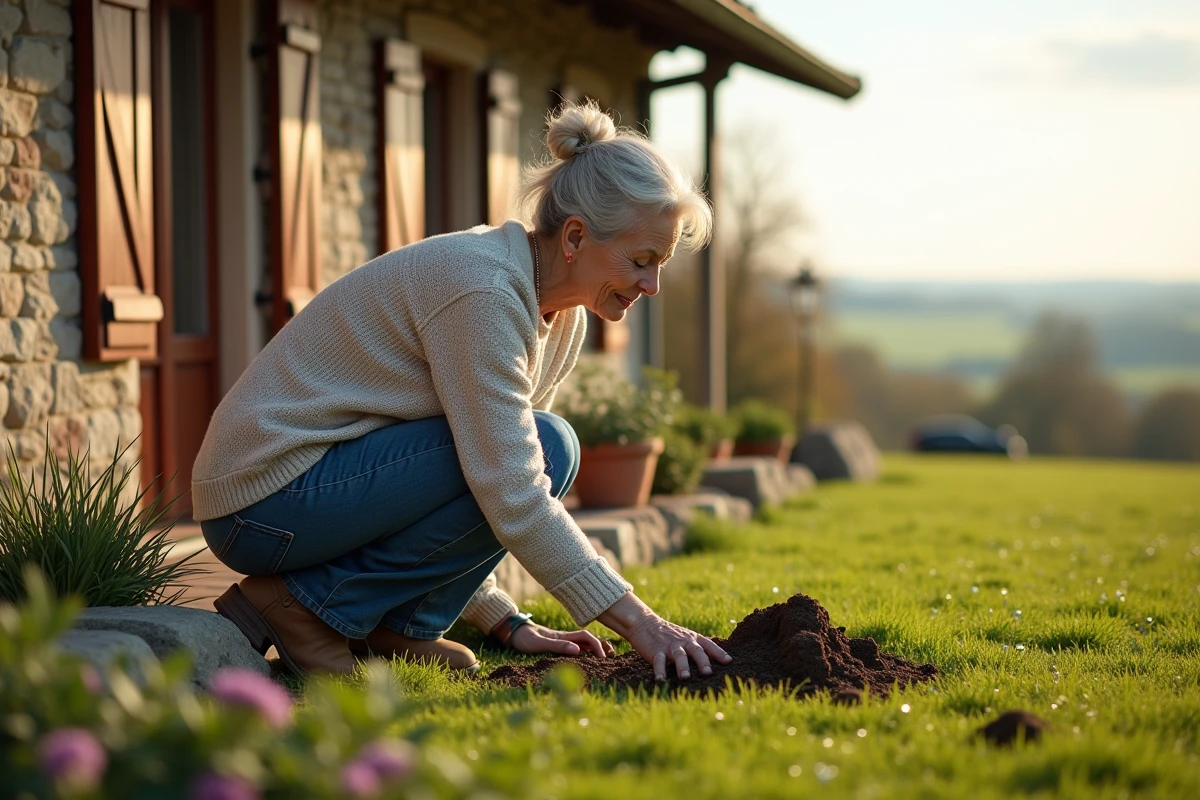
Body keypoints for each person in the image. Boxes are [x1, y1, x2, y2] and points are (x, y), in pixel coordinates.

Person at [192, 100, 731, 682]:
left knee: (546, 449)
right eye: (641, 260)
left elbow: (491, 484)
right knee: (549, 448)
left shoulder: (559, 314)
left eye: (661, 266)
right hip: (261, 500)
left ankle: (400, 628)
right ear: (575, 236)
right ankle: (302, 608)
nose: (651, 286)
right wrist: (637, 620)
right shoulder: (485, 293)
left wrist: (502, 618)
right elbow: (510, 483)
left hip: (320, 491)